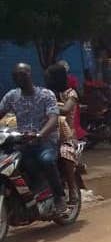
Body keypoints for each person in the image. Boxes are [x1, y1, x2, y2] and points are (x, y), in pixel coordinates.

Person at [0, 63, 66, 213]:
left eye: (23, 74)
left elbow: (53, 118)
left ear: (30, 75)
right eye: (16, 76)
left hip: (45, 141)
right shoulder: (12, 96)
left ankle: (58, 196)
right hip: (22, 143)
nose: (20, 78)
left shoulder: (46, 95)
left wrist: (40, 134)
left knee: (46, 160)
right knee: (11, 165)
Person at [44, 64, 82, 204]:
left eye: (49, 77)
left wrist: (48, 109)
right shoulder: (47, 93)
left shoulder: (71, 94)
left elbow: (66, 110)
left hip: (67, 134)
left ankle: (72, 190)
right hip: (48, 133)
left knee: (65, 153)